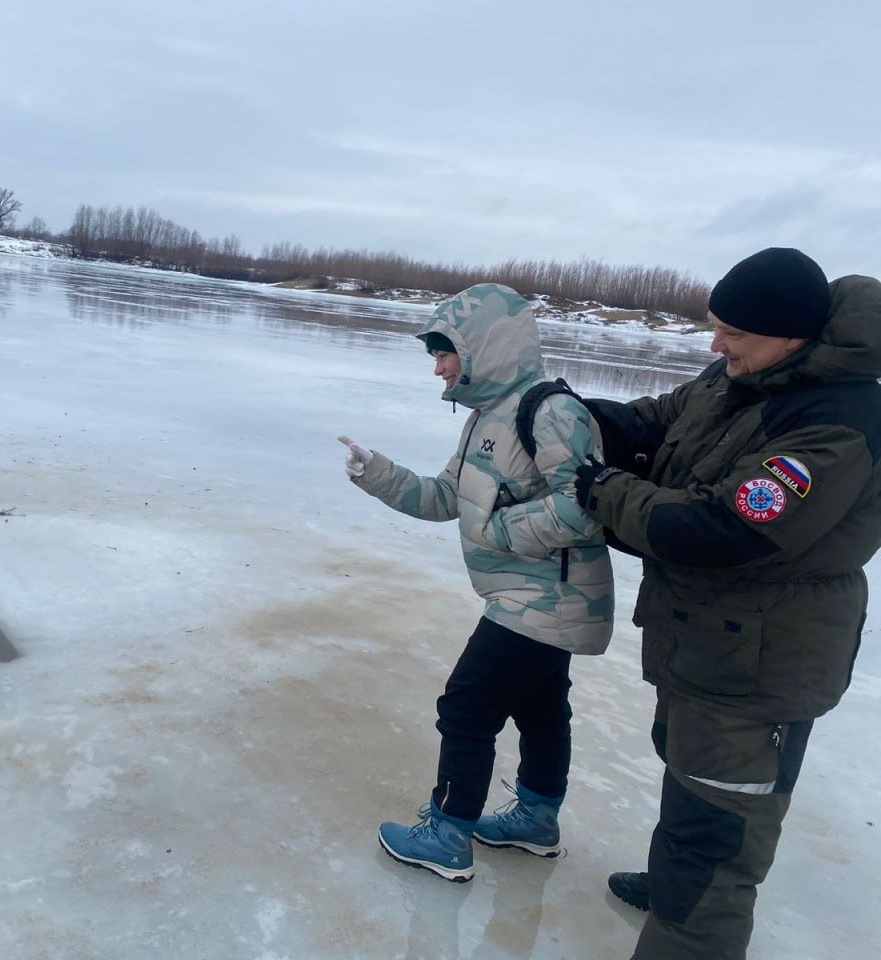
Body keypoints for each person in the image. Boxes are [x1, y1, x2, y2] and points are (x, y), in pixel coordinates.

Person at [573, 248, 881, 959]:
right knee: (689, 779)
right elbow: (657, 420)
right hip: (708, 644)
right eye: (716, 329)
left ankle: (691, 917)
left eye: (732, 334)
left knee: (716, 843)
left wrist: (602, 490)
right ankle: (675, 878)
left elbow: (725, 529)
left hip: (761, 669)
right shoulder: (741, 377)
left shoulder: (836, 421)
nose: (716, 346)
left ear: (791, 335)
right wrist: (576, 413)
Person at [340, 282, 614, 882]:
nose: (437, 367)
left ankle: (449, 832)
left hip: (548, 598)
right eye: (433, 354)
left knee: (466, 709)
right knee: (543, 708)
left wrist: (498, 528)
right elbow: (446, 498)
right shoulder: (489, 416)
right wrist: (377, 473)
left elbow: (587, 506)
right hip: (529, 597)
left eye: (445, 352)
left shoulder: (551, 413)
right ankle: (538, 820)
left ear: (485, 347)